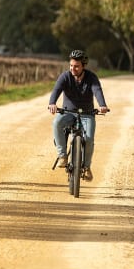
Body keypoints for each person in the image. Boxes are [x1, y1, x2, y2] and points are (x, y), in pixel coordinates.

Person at [47, 49, 110, 182]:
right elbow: (56, 90)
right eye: (71, 65)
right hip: (68, 112)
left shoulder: (91, 77)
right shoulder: (65, 76)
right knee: (57, 123)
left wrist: (102, 105)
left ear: (83, 66)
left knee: (89, 138)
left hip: (87, 114)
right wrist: (52, 103)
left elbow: (97, 90)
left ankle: (86, 167)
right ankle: (62, 156)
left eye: (76, 66)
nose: (73, 68)